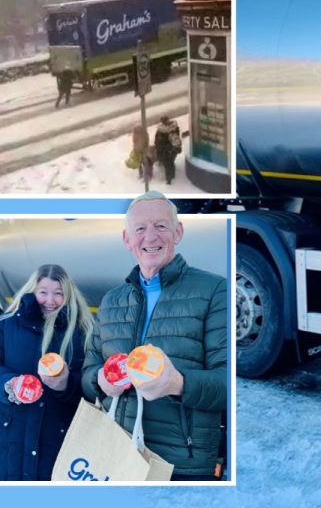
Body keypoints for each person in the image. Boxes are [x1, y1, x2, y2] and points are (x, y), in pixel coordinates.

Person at [80, 190, 228, 481]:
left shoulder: (214, 291)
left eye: (161, 226)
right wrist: (100, 381)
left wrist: (178, 383)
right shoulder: (112, 301)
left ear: (178, 232)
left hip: (180, 466)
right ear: (127, 239)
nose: (150, 237)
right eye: (140, 229)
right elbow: (87, 376)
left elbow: (227, 386)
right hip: (116, 456)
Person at [0, 264, 94, 480]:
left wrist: (66, 384)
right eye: (43, 292)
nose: (50, 301)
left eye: (58, 294)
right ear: (33, 291)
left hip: (56, 437)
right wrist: (9, 385)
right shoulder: (7, 325)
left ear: (68, 295)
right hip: (12, 436)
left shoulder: (82, 333)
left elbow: (90, 386)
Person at [154, 115, 182, 185]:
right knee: (170, 163)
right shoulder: (174, 128)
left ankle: (169, 180)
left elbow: (158, 141)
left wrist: (162, 147)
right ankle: (171, 176)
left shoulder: (162, 131)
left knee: (168, 164)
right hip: (171, 150)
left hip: (166, 150)